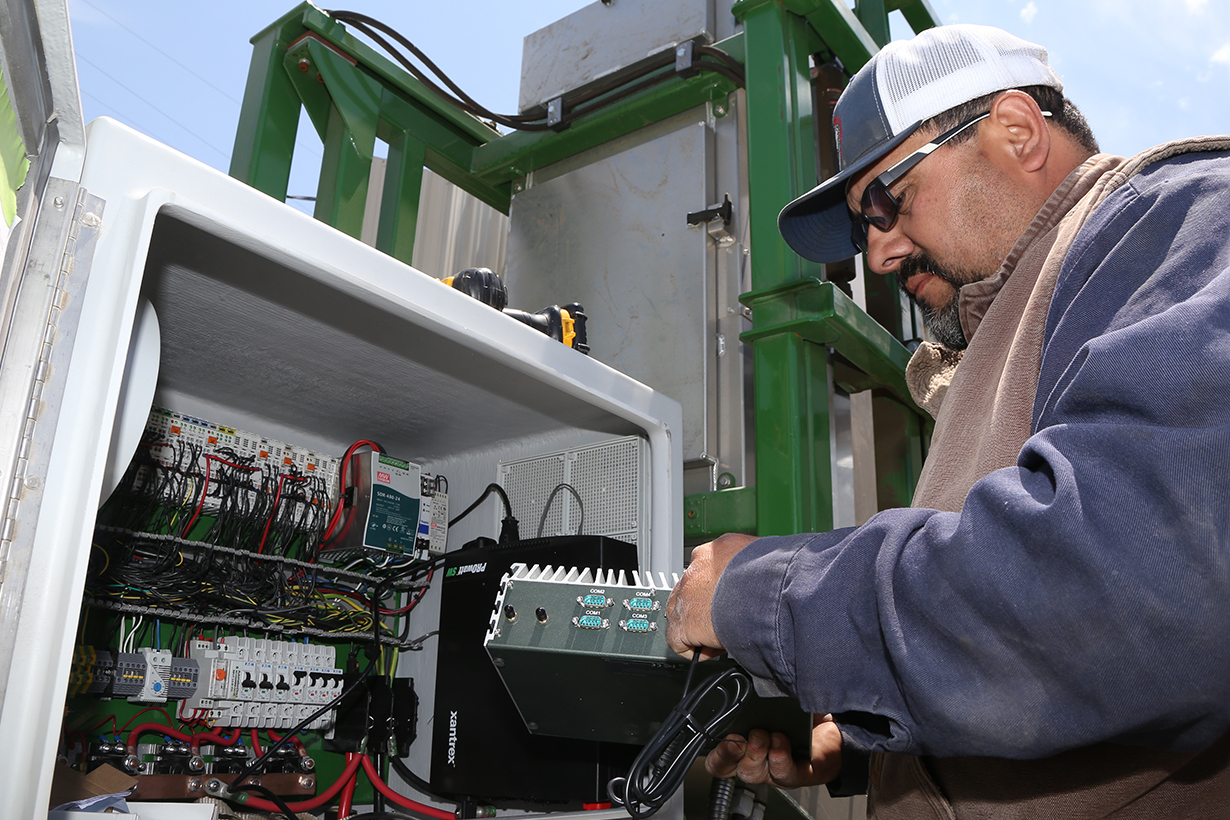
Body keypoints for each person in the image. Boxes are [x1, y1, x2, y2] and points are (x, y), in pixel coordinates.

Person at [665, 23, 1230, 818]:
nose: (880, 254)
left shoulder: (1181, 220)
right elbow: (1027, 666)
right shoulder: (1007, 323)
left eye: (888, 201)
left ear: (1016, 131)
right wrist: (860, 744)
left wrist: (763, 595)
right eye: (864, 227)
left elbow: (1138, 592)